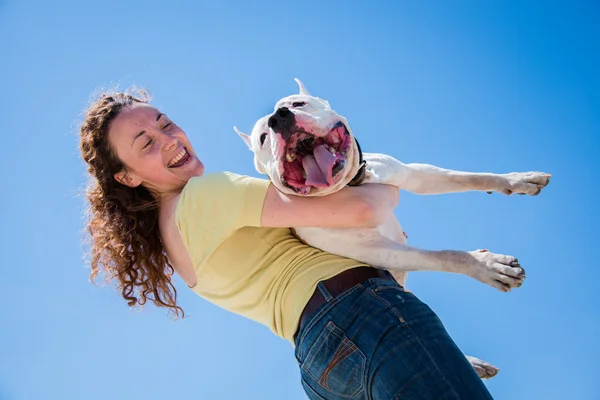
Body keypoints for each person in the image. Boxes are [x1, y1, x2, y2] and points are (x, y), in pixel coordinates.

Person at [79, 89, 494, 399]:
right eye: (146, 143)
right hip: (361, 312)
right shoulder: (206, 195)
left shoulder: (173, 245)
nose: (167, 138)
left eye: (165, 123)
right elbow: (364, 210)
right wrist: (387, 181)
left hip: (319, 367)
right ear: (127, 177)